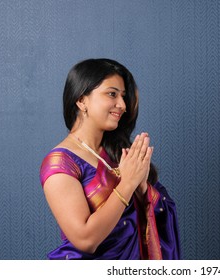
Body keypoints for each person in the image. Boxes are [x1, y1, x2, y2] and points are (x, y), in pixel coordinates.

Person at [39, 58, 180, 260]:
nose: (122, 105)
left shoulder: (119, 153)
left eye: (123, 96)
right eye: (112, 94)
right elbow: (85, 240)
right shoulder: (61, 163)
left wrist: (141, 189)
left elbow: (159, 211)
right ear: (81, 100)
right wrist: (127, 183)